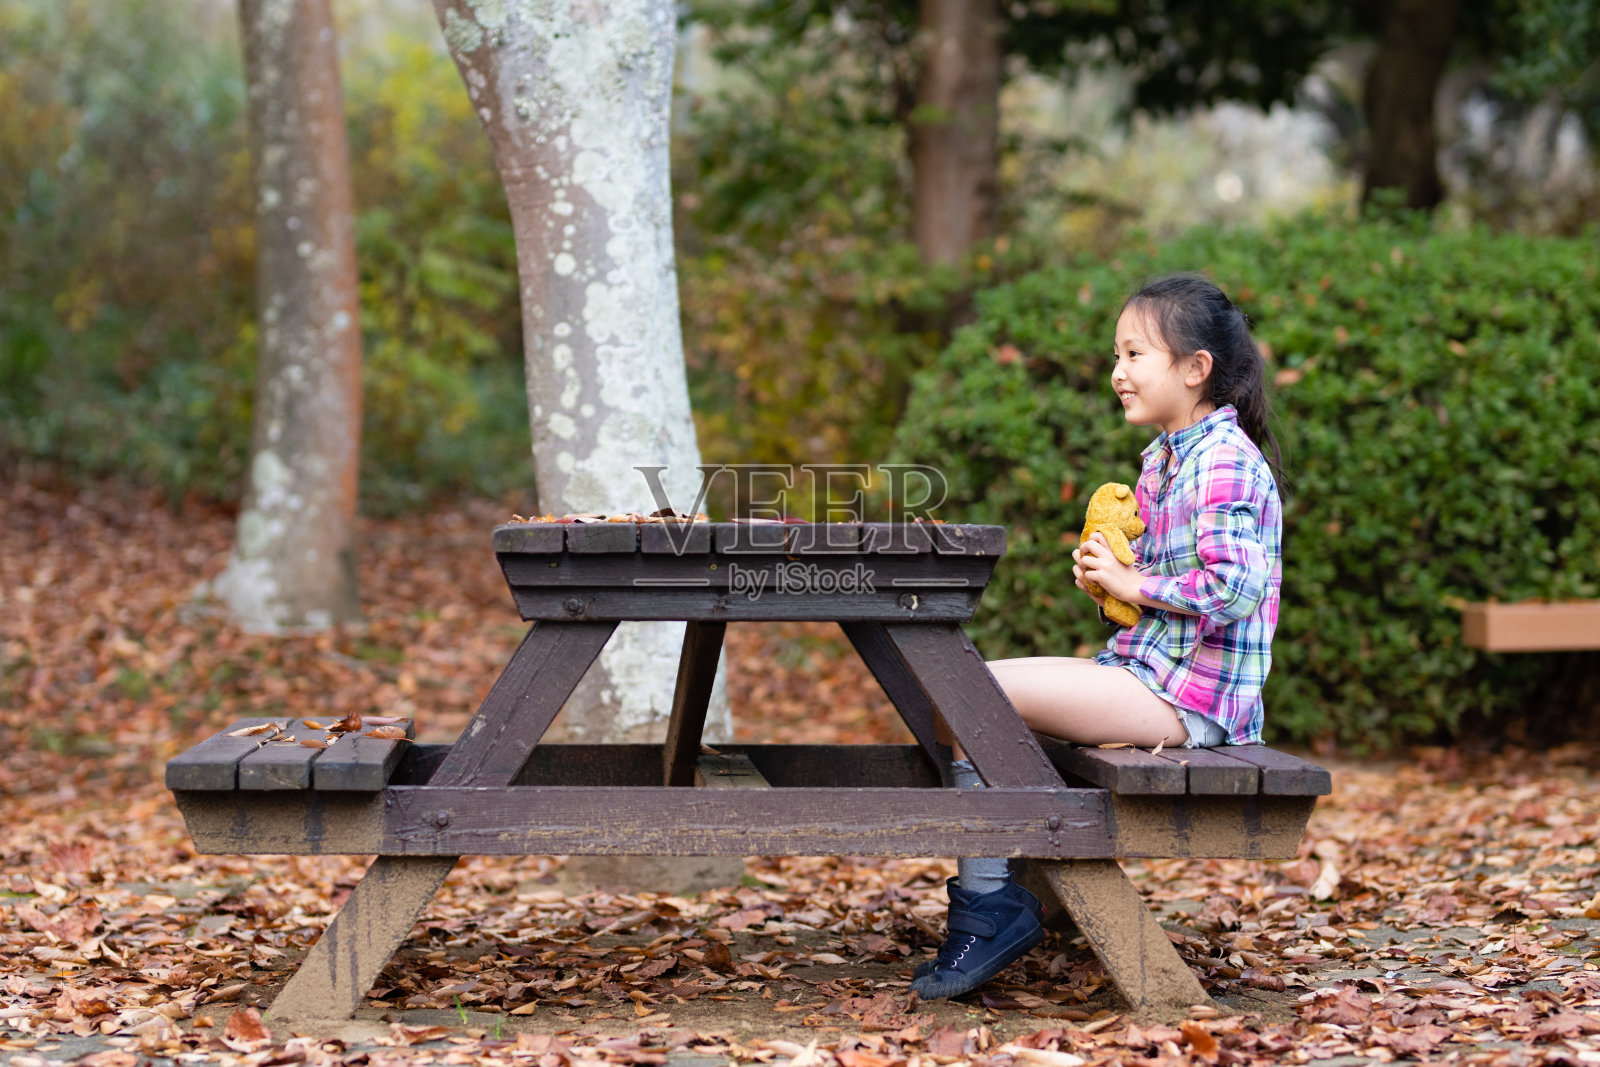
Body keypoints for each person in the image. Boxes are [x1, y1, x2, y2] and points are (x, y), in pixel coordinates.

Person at [910, 273, 1285, 1000]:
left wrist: (1132, 583)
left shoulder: (1224, 462)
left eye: (1134, 353)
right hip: (1149, 671)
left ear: (1194, 367)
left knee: (971, 694)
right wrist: (1111, 578)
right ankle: (1000, 893)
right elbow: (1165, 587)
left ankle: (992, 908)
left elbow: (1235, 589)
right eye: (1116, 353)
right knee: (960, 690)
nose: (1117, 371)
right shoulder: (1167, 459)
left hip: (1190, 701)